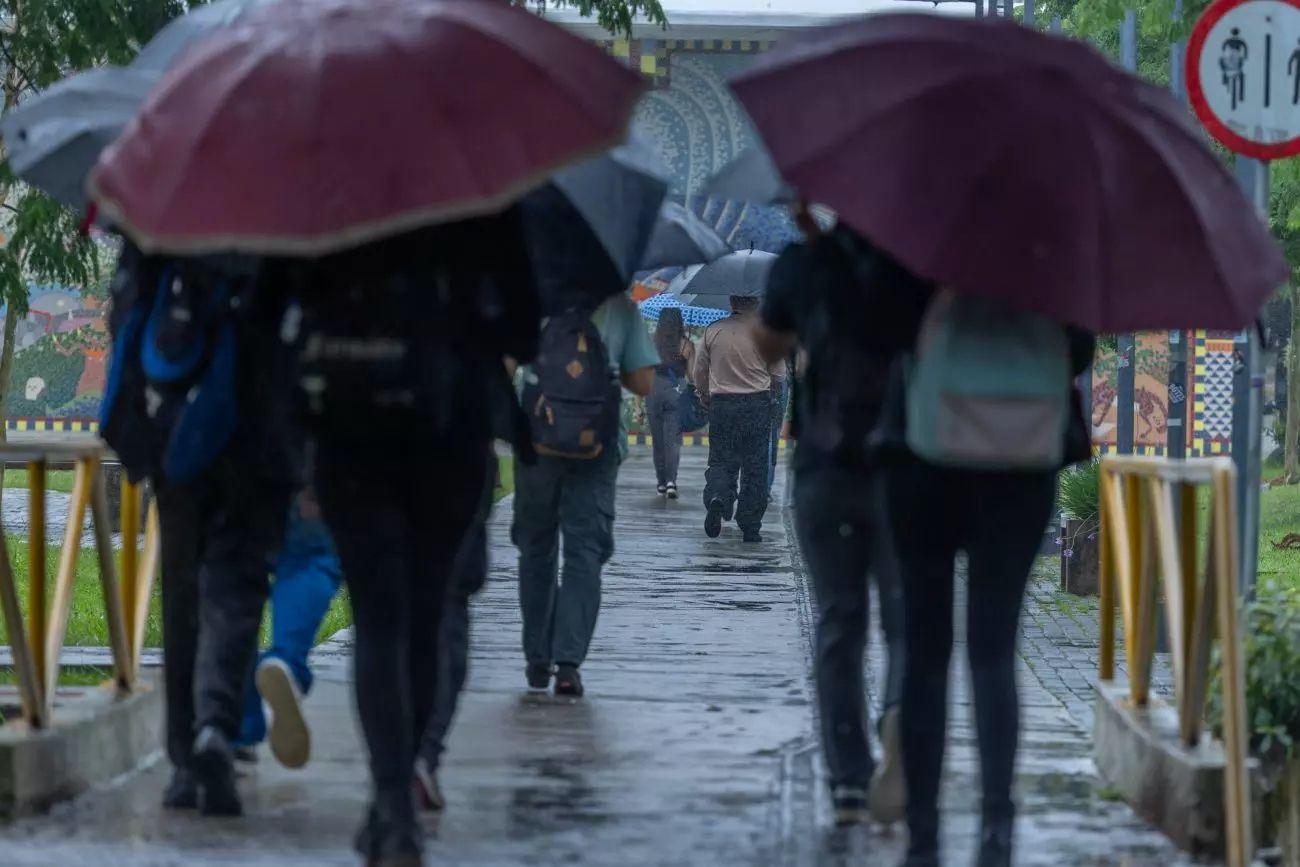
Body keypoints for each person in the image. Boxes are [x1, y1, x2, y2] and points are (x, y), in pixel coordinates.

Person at [294, 209, 540, 866]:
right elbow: (524, 329)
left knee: (379, 622)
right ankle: (402, 786)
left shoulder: (330, 205)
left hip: (352, 434)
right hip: (450, 431)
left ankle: (393, 808)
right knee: (428, 613)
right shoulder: (484, 208)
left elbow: (282, 320)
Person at [883, 290, 1094, 866]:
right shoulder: (1055, 248)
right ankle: (996, 825)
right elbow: (1078, 351)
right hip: (1023, 463)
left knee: (927, 654)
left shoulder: (924, 235)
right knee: (995, 649)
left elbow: (890, 327)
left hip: (927, 454)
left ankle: (923, 835)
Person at [102, 249, 301, 818]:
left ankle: (184, 762)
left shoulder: (167, 208)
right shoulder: (286, 215)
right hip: (259, 433)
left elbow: (127, 310)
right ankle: (216, 726)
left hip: (179, 430)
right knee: (236, 588)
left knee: (182, 589)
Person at [754, 214, 924, 827]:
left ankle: (848, 778)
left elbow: (767, 347)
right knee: (905, 616)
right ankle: (900, 708)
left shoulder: (804, 264)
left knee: (838, 618)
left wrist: (816, 263)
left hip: (826, 463)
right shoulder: (914, 265)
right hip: (904, 461)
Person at [513, 292, 658, 698]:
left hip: (537, 441)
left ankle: (536, 658)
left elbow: (508, 361)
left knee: (536, 549)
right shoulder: (620, 304)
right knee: (584, 552)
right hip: (596, 446)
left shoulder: (534, 292)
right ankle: (568, 665)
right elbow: (643, 382)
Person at [234, 485, 343, 769]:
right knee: (310, 559)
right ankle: (285, 662)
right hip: (303, 475)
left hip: (236, 475)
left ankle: (238, 726)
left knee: (233, 589)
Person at [413, 450, 497, 811]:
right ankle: (424, 754)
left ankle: (392, 767)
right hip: (455, 463)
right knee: (449, 629)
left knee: (382, 631)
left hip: (375, 475)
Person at [694, 294, 785, 543]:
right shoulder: (764, 331)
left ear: (732, 304)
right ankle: (750, 525)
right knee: (755, 467)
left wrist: (704, 395)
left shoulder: (713, 330)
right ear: (755, 305)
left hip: (722, 405)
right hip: (757, 405)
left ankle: (718, 497)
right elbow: (779, 374)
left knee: (721, 460)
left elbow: (699, 371)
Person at [646, 307, 694, 498]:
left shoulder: (651, 341)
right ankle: (671, 481)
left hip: (653, 390)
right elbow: (691, 375)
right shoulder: (686, 344)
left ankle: (660, 483)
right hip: (676, 391)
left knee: (658, 441)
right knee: (672, 440)